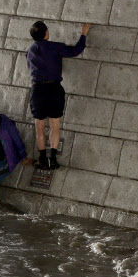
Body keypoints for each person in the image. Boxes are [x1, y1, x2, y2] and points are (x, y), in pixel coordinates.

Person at [27, 21, 91, 169]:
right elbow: (75, 51)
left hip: (37, 90)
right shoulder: (55, 47)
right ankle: (53, 159)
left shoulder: (30, 51)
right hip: (54, 88)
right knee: (55, 124)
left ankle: (42, 158)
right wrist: (83, 34)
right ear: (46, 33)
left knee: (39, 126)